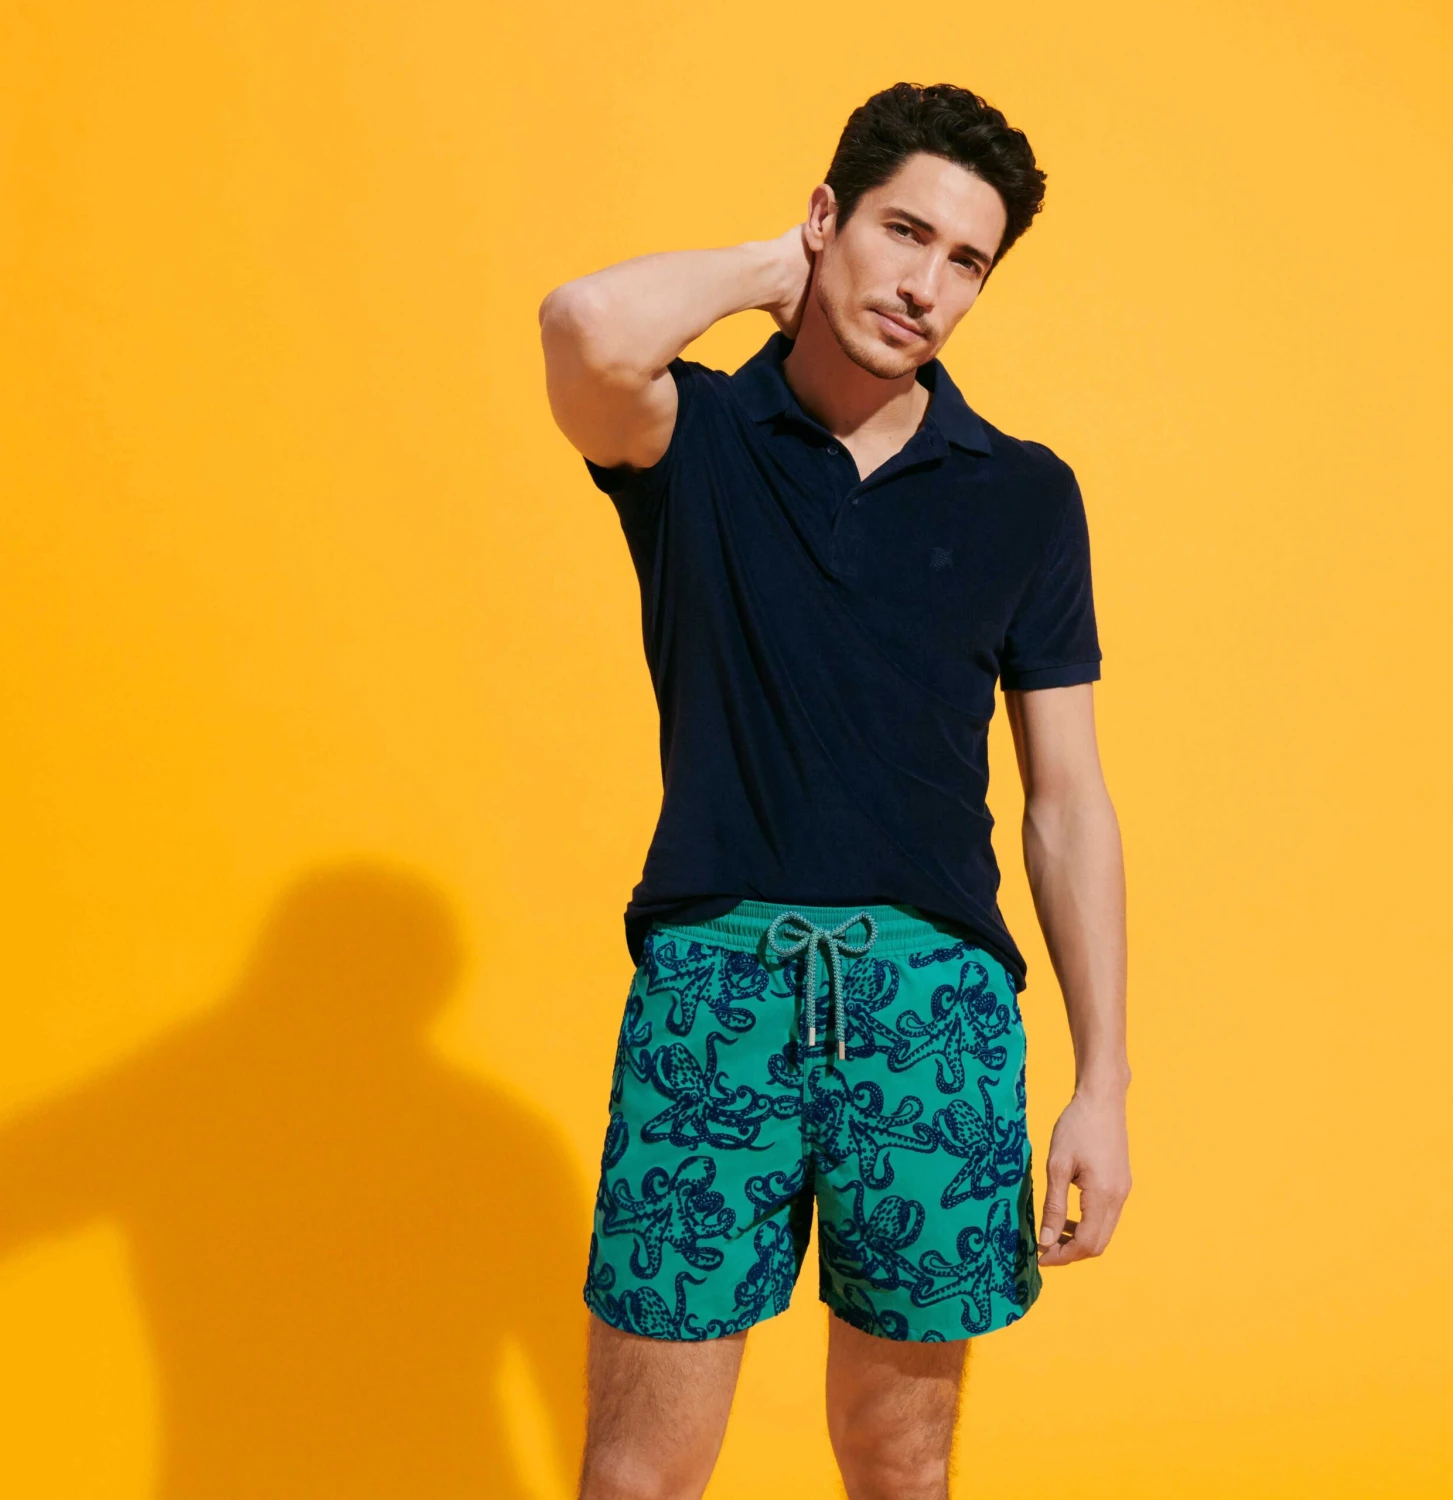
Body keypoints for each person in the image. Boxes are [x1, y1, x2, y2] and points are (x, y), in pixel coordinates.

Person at [539, 81, 1131, 1500]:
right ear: (827, 217)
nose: (928, 286)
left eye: (967, 261)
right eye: (902, 232)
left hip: (937, 1013)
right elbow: (583, 327)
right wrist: (775, 271)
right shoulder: (692, 438)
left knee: (898, 1456)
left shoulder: (1024, 493)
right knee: (638, 1473)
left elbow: (1066, 802)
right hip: (715, 993)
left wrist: (1104, 1082)